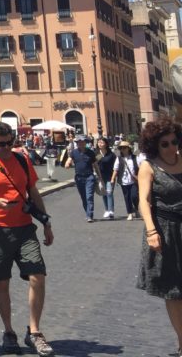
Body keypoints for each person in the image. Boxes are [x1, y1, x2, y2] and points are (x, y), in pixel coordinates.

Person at [0, 120, 55, 357]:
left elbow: (33, 192)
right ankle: (9, 332)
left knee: (38, 274)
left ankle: (34, 331)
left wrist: (45, 222)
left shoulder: (22, 160)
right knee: (2, 281)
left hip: (25, 228)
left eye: (10, 143)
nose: (7, 148)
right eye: (2, 144)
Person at [136, 118, 182, 357]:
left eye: (175, 141)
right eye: (165, 144)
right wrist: (152, 231)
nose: (171, 147)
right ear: (155, 145)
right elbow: (143, 201)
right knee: (173, 290)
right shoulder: (149, 166)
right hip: (166, 230)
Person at [69, 135, 100, 222]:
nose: (80, 143)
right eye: (78, 142)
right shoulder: (74, 152)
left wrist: (99, 177)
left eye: (82, 142)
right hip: (79, 178)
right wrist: (67, 163)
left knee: (89, 196)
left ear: (85, 143)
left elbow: (95, 165)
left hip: (89, 177)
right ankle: (88, 213)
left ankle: (90, 215)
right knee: (83, 197)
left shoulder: (90, 153)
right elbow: (69, 161)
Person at [112, 140, 139, 220]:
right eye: (121, 148)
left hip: (133, 180)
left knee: (134, 196)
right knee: (127, 197)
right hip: (123, 181)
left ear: (128, 148)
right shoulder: (119, 158)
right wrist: (113, 179)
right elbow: (115, 169)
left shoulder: (134, 157)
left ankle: (136, 208)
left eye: (124, 148)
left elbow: (140, 168)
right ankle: (129, 213)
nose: (123, 150)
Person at [94, 136, 117, 220]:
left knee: (109, 192)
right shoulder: (96, 154)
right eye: (99, 142)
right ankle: (107, 209)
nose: (100, 144)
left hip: (110, 176)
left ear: (106, 144)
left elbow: (115, 166)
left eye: (102, 142)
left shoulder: (111, 154)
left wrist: (114, 177)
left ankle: (111, 211)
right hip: (100, 176)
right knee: (103, 193)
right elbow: (93, 164)